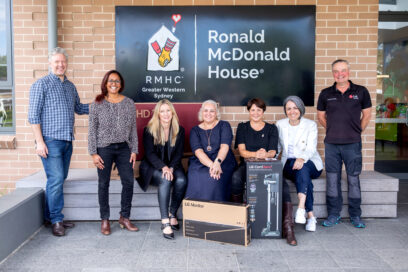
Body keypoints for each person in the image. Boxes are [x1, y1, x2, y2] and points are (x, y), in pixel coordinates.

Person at [28, 47, 89, 236]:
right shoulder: (41, 84)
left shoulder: (70, 86)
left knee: (60, 178)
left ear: (67, 63)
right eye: (56, 62)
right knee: (55, 180)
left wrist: (102, 105)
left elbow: (79, 108)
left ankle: (50, 216)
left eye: (63, 62)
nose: (60, 65)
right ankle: (56, 220)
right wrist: (39, 142)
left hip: (67, 140)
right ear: (50, 63)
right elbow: (33, 116)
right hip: (50, 140)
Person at [231, 98, 297, 246]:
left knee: (283, 185)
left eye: (259, 110)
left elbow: (273, 151)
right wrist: (256, 154)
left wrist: (265, 155)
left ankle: (288, 228)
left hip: (268, 166)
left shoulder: (271, 128)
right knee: (235, 178)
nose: (256, 113)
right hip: (248, 165)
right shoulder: (242, 127)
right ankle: (238, 221)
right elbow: (242, 152)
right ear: (248, 111)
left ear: (263, 111)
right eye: (252, 110)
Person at [317, 59, 372, 228]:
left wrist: (356, 131)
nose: (340, 74)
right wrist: (332, 129)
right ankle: (334, 214)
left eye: (343, 70)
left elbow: (367, 115)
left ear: (348, 71)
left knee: (353, 179)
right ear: (332, 73)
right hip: (332, 144)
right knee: (332, 180)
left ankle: (356, 215)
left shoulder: (361, 92)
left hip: (353, 144)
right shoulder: (326, 93)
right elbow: (321, 116)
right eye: (336, 71)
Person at [88, 70, 139, 235]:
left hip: (124, 148)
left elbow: (133, 130)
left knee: (128, 182)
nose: (114, 84)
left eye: (117, 81)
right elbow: (92, 131)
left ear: (121, 84)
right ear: (105, 83)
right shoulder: (97, 103)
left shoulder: (129, 103)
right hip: (104, 148)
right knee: (103, 184)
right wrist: (93, 153)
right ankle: (105, 219)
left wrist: (134, 150)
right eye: (111, 81)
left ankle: (124, 217)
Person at [138, 99, 187, 240]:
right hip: (152, 167)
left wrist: (170, 167)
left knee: (182, 180)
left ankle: (172, 213)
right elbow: (150, 154)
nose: (165, 114)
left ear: (172, 113)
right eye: (162, 111)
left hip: (172, 165)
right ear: (158, 114)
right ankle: (165, 221)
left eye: (168, 110)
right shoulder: (150, 129)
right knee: (165, 179)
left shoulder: (179, 130)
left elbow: (178, 154)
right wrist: (164, 168)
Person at [276, 96, 323, 232]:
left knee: (302, 169)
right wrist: (269, 158)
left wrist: (301, 158)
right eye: (289, 108)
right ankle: (310, 216)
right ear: (285, 111)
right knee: (302, 175)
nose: (292, 111)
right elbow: (278, 147)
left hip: (310, 162)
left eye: (295, 108)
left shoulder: (310, 125)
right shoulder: (280, 124)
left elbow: (311, 148)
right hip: (289, 164)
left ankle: (301, 207)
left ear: (301, 109)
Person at [185, 100, 237, 201]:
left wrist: (217, 162)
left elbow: (225, 147)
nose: (208, 114)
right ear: (201, 113)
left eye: (212, 111)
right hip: (202, 161)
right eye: (206, 111)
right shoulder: (195, 130)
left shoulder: (224, 125)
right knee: (197, 176)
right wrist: (212, 166)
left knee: (214, 179)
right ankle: (195, 213)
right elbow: (198, 152)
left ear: (216, 113)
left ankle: (216, 212)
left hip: (222, 159)